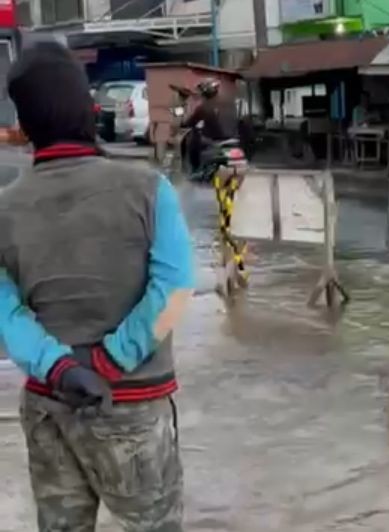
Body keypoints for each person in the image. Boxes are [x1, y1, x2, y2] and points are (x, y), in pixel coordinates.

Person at [0, 40, 194, 530]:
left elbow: (5, 308)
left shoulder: (4, 208)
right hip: (131, 405)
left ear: (22, 127)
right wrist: (107, 361)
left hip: (50, 404)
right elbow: (175, 290)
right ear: (87, 106)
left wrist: (60, 367)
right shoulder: (149, 189)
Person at [182, 77, 238, 173]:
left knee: (193, 140)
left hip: (214, 140)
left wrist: (181, 116)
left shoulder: (204, 106)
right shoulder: (230, 103)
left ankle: (195, 170)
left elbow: (189, 123)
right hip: (234, 139)